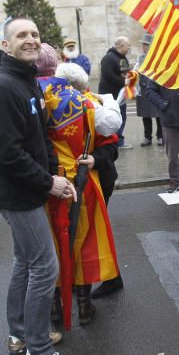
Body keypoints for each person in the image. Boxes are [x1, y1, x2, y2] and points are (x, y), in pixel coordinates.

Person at [0, 17, 78, 355]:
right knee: (43, 267)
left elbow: (38, 139)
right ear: (5, 45)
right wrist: (47, 183)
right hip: (18, 194)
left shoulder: (24, 81)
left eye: (35, 34)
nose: (31, 40)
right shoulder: (5, 88)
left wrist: (55, 175)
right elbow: (5, 155)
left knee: (25, 262)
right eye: (21, 35)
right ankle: (39, 350)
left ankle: (20, 334)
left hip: (29, 188)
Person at [41, 63, 121, 327]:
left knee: (50, 245)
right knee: (84, 241)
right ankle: (84, 307)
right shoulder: (88, 105)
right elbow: (110, 144)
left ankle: (55, 306)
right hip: (83, 182)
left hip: (48, 183)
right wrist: (95, 159)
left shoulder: (39, 103)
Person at [56, 62, 124, 299]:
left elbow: (112, 145)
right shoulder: (59, 105)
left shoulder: (90, 105)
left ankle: (110, 278)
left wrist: (94, 158)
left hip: (98, 178)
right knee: (79, 231)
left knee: (94, 232)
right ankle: (81, 279)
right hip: (72, 179)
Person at [98, 36, 132, 149]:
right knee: (112, 118)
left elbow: (125, 71)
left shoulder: (123, 58)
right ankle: (113, 141)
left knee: (122, 117)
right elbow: (107, 75)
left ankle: (119, 140)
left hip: (121, 94)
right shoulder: (109, 58)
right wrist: (124, 81)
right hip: (109, 95)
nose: (129, 47)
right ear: (121, 46)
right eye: (128, 45)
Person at [135, 33, 163, 146]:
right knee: (145, 115)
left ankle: (160, 136)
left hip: (155, 89)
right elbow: (137, 70)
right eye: (143, 45)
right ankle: (147, 137)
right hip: (143, 88)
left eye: (145, 45)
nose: (143, 47)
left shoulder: (158, 57)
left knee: (158, 115)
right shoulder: (140, 57)